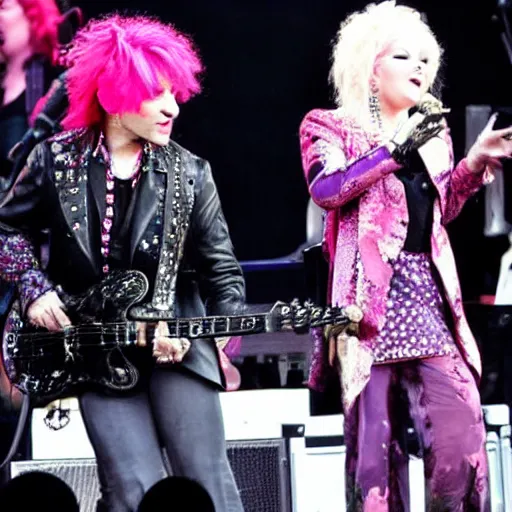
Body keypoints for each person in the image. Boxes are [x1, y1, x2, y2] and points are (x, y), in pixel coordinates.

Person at [0, 13, 245, 512]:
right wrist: (33, 288)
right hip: (91, 350)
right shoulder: (54, 159)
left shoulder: (191, 172)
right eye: (156, 94)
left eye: (174, 92)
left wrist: (217, 336)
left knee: (205, 485)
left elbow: (223, 271)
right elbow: (5, 227)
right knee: (132, 488)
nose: (172, 106)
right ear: (113, 97)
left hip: (175, 342)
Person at [299, 2, 512, 510]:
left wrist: (474, 165)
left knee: (462, 445)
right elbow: (327, 188)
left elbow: (439, 211)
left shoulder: (433, 132)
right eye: (404, 57)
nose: (420, 68)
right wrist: (393, 148)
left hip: (429, 303)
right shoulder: (328, 126)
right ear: (372, 67)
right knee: (376, 471)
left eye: (425, 59)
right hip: (366, 313)